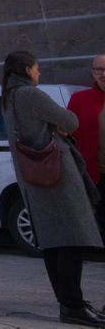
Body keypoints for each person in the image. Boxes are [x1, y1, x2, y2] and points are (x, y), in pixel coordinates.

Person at [3, 50, 105, 326]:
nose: (39, 72)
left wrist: (51, 124)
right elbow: (71, 121)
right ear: (26, 69)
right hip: (56, 176)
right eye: (37, 68)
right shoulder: (30, 95)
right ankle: (73, 305)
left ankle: (69, 303)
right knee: (72, 238)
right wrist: (57, 126)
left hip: (35, 178)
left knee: (53, 242)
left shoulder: (9, 98)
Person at [66, 54, 105, 237]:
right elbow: (68, 136)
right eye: (99, 69)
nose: (103, 73)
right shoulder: (80, 100)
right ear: (93, 73)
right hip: (96, 176)